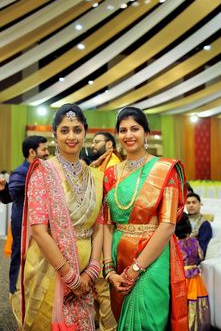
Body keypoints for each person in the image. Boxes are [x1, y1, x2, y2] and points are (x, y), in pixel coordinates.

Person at [13, 104, 104, 331]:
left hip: (86, 273)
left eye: (76, 129)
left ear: (85, 132)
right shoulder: (42, 172)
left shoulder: (96, 176)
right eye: (64, 130)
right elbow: (39, 230)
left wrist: (92, 269)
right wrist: (70, 276)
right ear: (55, 134)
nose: (71, 136)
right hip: (49, 269)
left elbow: (100, 225)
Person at [103, 106, 188, 331]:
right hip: (118, 254)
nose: (128, 135)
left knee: (147, 321)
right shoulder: (111, 174)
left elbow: (168, 226)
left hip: (152, 257)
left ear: (146, 133)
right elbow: (106, 225)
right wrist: (109, 269)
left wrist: (135, 269)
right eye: (122, 130)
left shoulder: (164, 170)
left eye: (135, 128)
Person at [0, 135, 49, 295]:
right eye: (44, 149)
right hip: (22, 222)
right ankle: (15, 289)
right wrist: (4, 189)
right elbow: (9, 197)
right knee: (20, 254)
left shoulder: (43, 169)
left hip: (40, 223)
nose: (47, 152)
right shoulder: (21, 173)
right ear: (32, 152)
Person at [91, 132, 121, 331]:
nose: (92, 145)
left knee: (104, 289)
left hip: (105, 230)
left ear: (109, 144)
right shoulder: (103, 162)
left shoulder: (112, 164)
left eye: (96, 142)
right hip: (99, 228)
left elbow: (106, 203)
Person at [175, 212, 210, 331]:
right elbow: (201, 256)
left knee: (180, 306)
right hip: (195, 279)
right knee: (195, 306)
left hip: (179, 278)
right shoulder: (194, 242)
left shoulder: (173, 244)